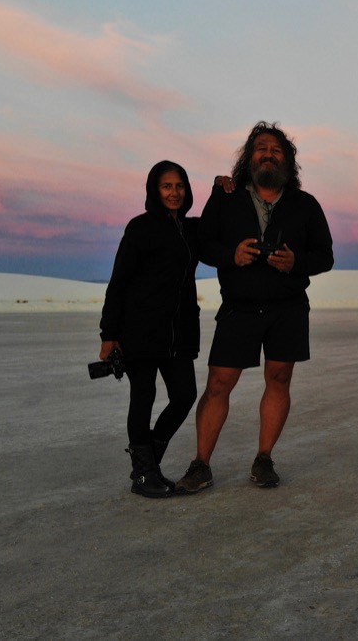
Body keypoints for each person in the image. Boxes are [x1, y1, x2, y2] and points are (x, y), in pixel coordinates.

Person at [176, 121, 333, 492]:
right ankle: (201, 464)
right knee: (218, 383)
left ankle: (264, 459)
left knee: (279, 379)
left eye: (276, 150)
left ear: (288, 161)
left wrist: (296, 262)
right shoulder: (227, 197)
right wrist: (232, 255)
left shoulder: (305, 205)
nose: (268, 154)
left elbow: (325, 256)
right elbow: (204, 245)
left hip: (288, 306)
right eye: (261, 148)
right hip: (239, 306)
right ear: (249, 158)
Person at [99, 160, 200, 498]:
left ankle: (147, 465)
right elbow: (119, 282)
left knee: (184, 394)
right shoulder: (140, 227)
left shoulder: (190, 230)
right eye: (167, 186)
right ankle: (144, 476)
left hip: (179, 333)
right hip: (139, 330)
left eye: (180, 186)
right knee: (143, 397)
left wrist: (221, 187)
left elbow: (220, 222)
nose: (174, 192)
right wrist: (108, 335)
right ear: (154, 190)